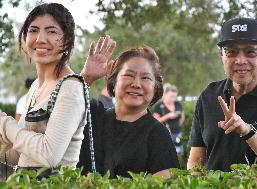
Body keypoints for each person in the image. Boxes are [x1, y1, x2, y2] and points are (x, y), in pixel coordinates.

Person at [187, 17, 257, 172]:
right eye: (231, 52)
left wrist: (247, 131)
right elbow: (196, 159)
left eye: (250, 52)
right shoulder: (208, 96)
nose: (240, 60)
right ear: (222, 55)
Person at [0, 3, 87, 175]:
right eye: (33, 30)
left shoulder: (70, 88)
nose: (40, 38)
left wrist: (4, 123)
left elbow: (48, 155)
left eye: (52, 31)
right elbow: (22, 156)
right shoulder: (35, 87)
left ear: (68, 40)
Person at [78, 36, 179, 179]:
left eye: (145, 78)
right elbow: (59, 108)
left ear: (155, 88)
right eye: (128, 75)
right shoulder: (93, 116)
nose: (136, 84)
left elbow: (167, 183)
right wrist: (86, 77)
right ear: (113, 81)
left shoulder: (158, 134)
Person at [153, 83, 185, 154]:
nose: (173, 99)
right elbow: (154, 122)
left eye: (174, 97)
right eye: (171, 96)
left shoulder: (177, 104)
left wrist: (177, 126)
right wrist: (168, 116)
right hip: (164, 135)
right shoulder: (159, 106)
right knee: (165, 155)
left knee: (178, 153)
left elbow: (182, 117)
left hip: (177, 133)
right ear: (165, 94)